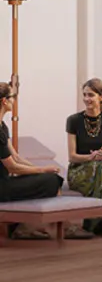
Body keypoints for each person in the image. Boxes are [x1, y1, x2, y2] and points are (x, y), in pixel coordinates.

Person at [0, 81, 67, 240]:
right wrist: (42, 170)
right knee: (51, 181)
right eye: (12, 97)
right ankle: (26, 227)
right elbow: (12, 167)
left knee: (50, 178)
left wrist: (39, 171)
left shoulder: (3, 126)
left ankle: (23, 226)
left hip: (5, 182)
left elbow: (16, 157)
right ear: (4, 101)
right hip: (2, 187)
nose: (14, 100)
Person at [65, 77, 102, 237]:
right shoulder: (73, 120)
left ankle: (94, 222)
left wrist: (101, 157)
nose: (86, 99)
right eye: (85, 95)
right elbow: (72, 157)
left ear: (101, 97)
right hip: (78, 172)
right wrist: (91, 157)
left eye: (91, 95)